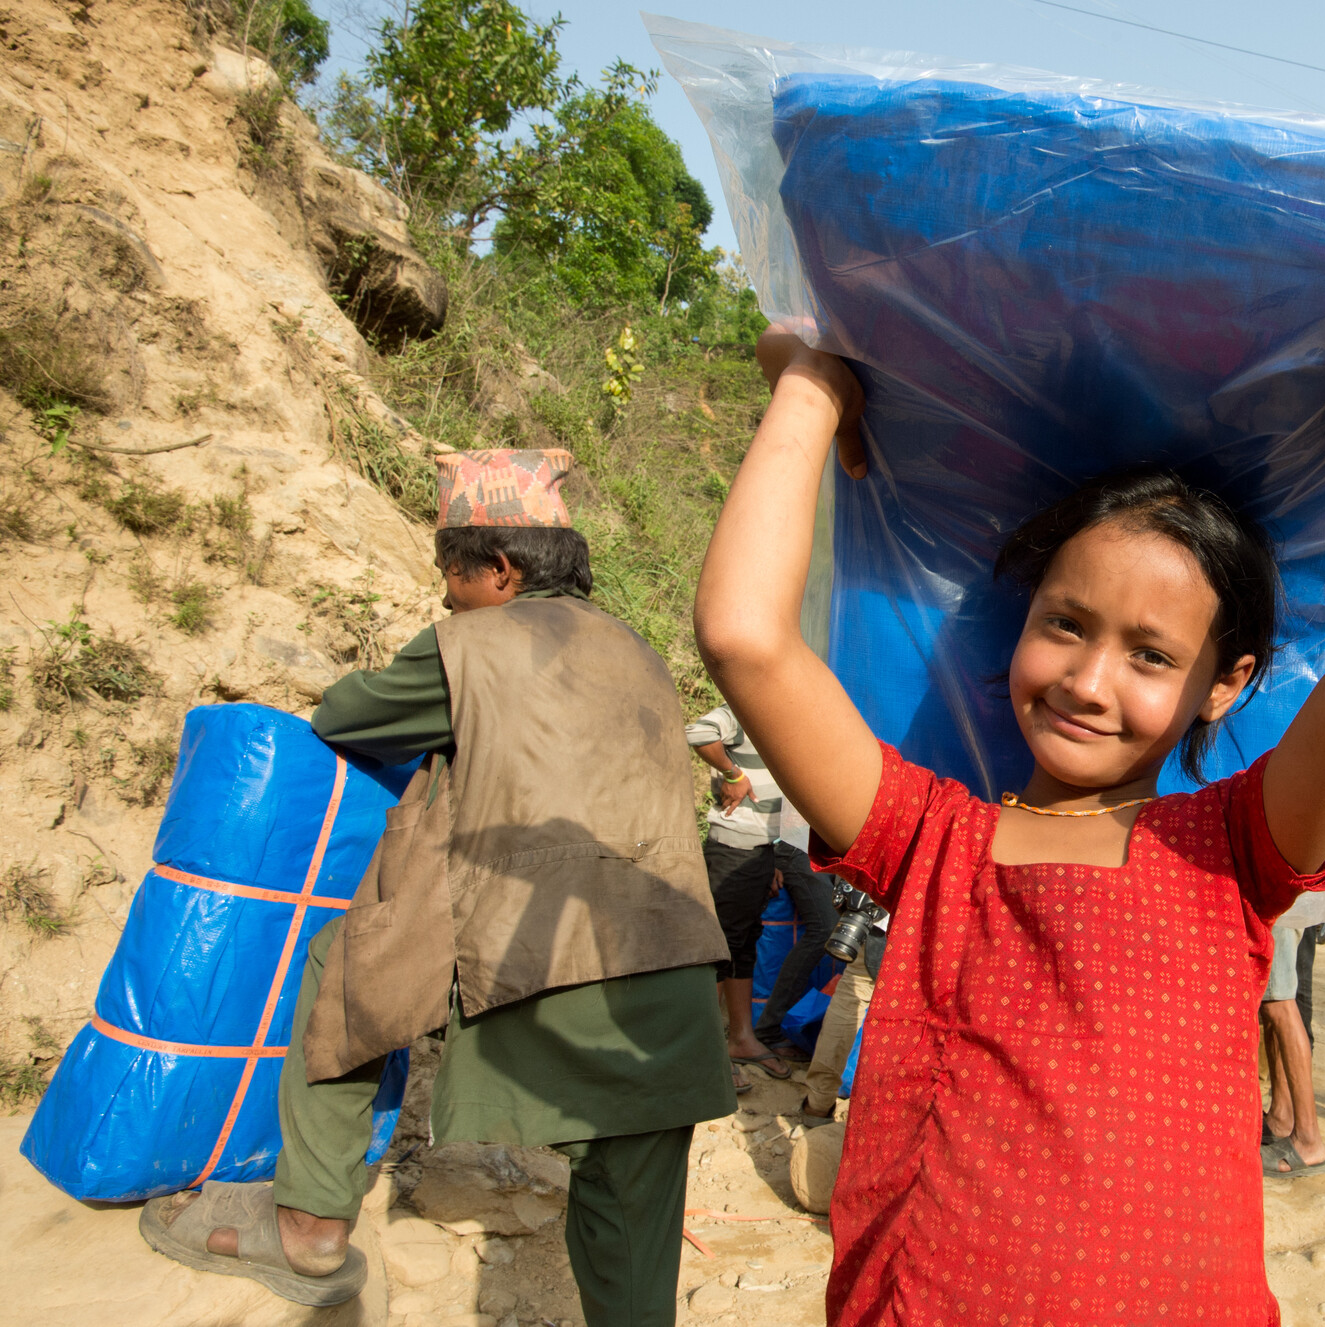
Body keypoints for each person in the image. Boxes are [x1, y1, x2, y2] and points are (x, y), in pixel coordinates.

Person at [694, 327, 1325, 1323]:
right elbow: (744, 636)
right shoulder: (928, 837)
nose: (1086, 682)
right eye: (1064, 622)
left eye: (1150, 655)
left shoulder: (1235, 845)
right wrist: (812, 389)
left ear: (1224, 685)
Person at [138, 450, 736, 1324]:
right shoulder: (636, 650)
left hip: (540, 960)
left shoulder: (476, 641)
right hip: (672, 966)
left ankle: (306, 1225)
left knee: (342, 983)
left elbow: (349, 716)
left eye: (448, 576)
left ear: (498, 569)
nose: (444, 597)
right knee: (630, 1198)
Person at [687, 703, 838, 1084]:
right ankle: (703, 1055)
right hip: (733, 849)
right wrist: (731, 772)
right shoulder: (738, 709)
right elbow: (698, 733)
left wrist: (768, 858)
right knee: (720, 947)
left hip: (759, 848)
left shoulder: (770, 716)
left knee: (743, 945)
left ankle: (740, 1039)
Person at [797, 900, 888, 1128]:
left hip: (878, 910)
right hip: (940, 917)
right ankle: (886, 1115)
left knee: (851, 995)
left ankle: (818, 1104)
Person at [1259, 924, 1325, 1178]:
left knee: (1280, 1003)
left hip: (1283, 907)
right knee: (1271, 1005)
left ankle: (1309, 1139)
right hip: (1284, 907)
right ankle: (1281, 1116)